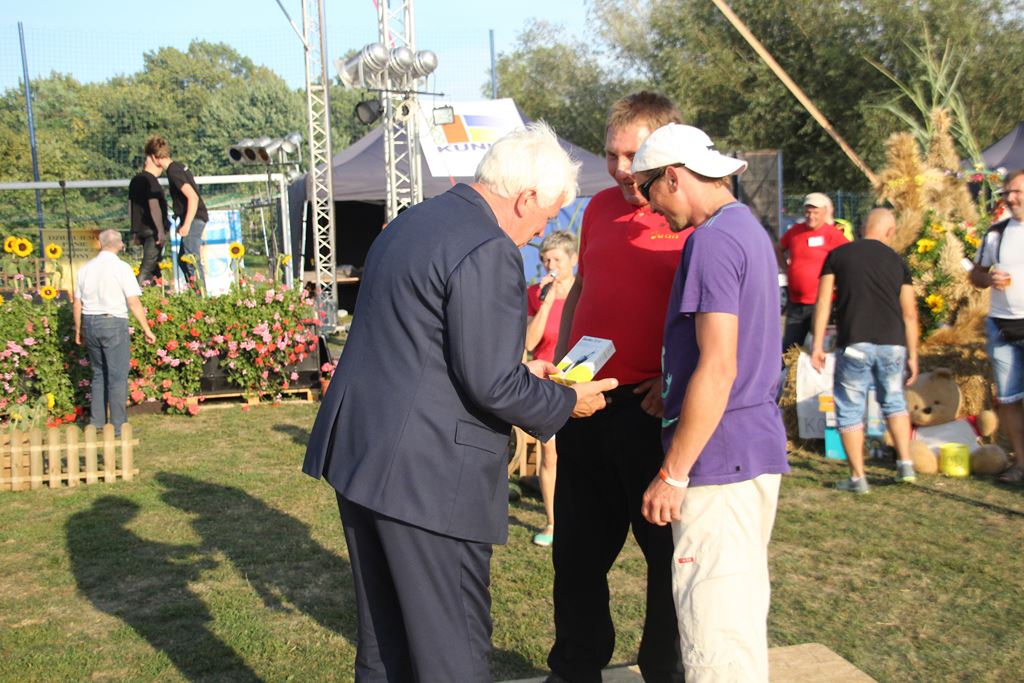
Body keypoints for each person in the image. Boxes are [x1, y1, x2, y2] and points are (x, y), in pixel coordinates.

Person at [302, 122, 618, 682]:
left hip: (364, 456)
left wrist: (530, 372)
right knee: (452, 650)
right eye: (545, 218)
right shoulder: (489, 247)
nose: (539, 234)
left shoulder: (414, 221)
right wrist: (566, 402)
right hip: (428, 478)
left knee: (385, 645)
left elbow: (432, 345)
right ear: (525, 198)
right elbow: (491, 384)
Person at [633, 123, 789, 682]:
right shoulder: (746, 228)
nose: (649, 207)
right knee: (738, 615)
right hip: (750, 447)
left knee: (713, 629)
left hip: (719, 460)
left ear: (673, 176)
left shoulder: (711, 241)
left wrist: (673, 474)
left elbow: (720, 365)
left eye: (647, 189)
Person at [548, 91, 686, 683]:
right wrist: (559, 363)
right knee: (576, 553)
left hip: (651, 412)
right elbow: (583, 288)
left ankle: (664, 670)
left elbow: (710, 318)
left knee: (665, 560)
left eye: (633, 155)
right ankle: (575, 668)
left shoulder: (687, 215)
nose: (621, 169)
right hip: (586, 404)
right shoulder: (597, 208)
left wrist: (672, 376)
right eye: (611, 155)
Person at [810, 208, 919, 492]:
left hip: (855, 342)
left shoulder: (838, 255)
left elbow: (823, 302)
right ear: (890, 231)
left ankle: (858, 477)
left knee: (849, 410)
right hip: (893, 345)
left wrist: (818, 344)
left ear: (862, 228)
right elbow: (909, 314)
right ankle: (905, 464)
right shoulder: (898, 262)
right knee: (894, 402)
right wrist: (913, 354)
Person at [73, 229, 157, 435]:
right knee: (117, 376)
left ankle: (97, 422)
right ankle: (119, 425)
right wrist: (147, 329)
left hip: (90, 322)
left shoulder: (85, 268)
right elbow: (133, 301)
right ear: (119, 245)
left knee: (98, 374)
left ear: (100, 244)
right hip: (114, 322)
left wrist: (78, 329)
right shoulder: (121, 268)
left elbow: (77, 302)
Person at [525, 230, 578, 547]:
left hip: (579, 379)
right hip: (547, 381)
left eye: (557, 259)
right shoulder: (535, 292)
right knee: (551, 455)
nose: (550, 265)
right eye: (545, 259)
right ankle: (552, 521)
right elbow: (530, 343)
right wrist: (545, 302)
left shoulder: (586, 290)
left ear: (572, 259)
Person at [970, 169, 1024, 483]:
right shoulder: (996, 233)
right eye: (1006, 193)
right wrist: (987, 278)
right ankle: (1020, 464)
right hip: (1002, 327)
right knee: (1009, 399)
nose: (1010, 198)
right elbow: (975, 275)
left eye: (1016, 192)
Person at [776, 192, 849, 352]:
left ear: (824, 213)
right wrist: (786, 269)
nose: (811, 216)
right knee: (789, 349)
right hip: (796, 303)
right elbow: (779, 248)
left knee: (823, 348)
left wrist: (839, 281)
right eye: (808, 212)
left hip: (823, 304)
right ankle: (789, 376)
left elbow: (849, 257)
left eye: (815, 212)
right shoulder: (795, 231)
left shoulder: (833, 235)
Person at [148, 136, 210, 287]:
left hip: (194, 218)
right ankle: (195, 290)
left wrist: (187, 224)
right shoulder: (178, 167)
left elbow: (193, 198)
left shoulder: (174, 171)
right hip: (193, 217)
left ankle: (201, 296)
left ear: (154, 157)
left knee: (190, 259)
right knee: (183, 259)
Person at [128, 138, 169, 286]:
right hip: (152, 231)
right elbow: (154, 206)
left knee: (154, 268)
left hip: (141, 230)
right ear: (154, 158)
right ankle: (136, 295)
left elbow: (131, 206)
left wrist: (134, 230)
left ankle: (158, 295)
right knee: (147, 267)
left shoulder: (135, 180)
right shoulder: (151, 181)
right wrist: (160, 230)